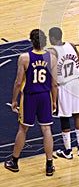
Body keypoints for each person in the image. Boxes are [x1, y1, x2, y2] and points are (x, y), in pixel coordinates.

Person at [4, 29, 58, 176]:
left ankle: (14, 162)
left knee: (23, 129)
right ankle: (49, 165)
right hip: (45, 96)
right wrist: (54, 101)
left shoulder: (24, 58)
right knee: (46, 129)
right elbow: (54, 84)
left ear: (31, 41)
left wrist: (14, 100)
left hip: (29, 97)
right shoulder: (52, 58)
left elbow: (17, 82)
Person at [48, 27, 79, 159]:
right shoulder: (72, 46)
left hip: (63, 85)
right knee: (77, 115)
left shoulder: (52, 52)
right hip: (75, 82)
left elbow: (51, 74)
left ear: (53, 38)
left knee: (65, 117)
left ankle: (68, 150)